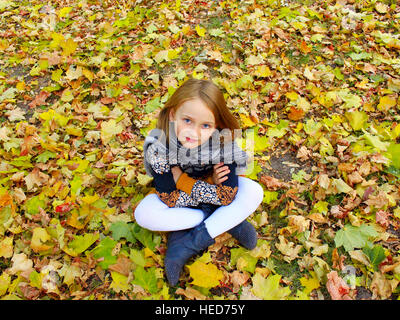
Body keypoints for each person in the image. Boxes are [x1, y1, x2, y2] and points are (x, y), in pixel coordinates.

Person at [135, 78, 264, 286]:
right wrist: (211, 188)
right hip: (178, 200)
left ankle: (187, 242)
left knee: (254, 192)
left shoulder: (224, 145)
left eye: (205, 125)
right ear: (172, 115)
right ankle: (227, 222)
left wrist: (182, 179)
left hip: (191, 196)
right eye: (187, 120)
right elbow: (170, 198)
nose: (194, 132)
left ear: (216, 127)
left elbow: (227, 196)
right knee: (143, 214)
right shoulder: (159, 150)